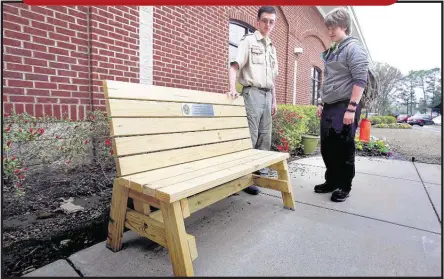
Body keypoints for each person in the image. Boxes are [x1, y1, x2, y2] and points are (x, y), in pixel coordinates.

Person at [315, 7, 369, 202]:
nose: (329, 31)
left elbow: (360, 80)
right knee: (328, 147)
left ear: (344, 26)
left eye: (333, 28)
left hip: (345, 105)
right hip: (329, 105)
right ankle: (331, 181)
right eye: (328, 27)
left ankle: (344, 185)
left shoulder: (354, 48)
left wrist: (352, 108)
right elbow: (328, 79)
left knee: (343, 147)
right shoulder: (332, 50)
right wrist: (322, 102)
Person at [227, 6, 279, 195]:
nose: (268, 24)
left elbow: (272, 79)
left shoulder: (272, 47)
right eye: (265, 20)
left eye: (271, 22)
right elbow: (234, 67)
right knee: (251, 136)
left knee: (265, 135)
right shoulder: (248, 41)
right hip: (252, 93)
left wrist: (274, 101)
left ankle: (260, 173)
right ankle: (244, 179)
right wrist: (233, 89)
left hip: (267, 95)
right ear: (258, 21)